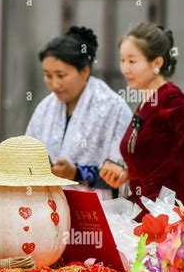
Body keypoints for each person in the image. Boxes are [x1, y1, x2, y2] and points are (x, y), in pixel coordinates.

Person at [101, 22, 184, 211]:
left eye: (132, 61)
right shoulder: (147, 101)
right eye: (122, 60)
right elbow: (154, 162)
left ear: (157, 63)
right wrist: (126, 174)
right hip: (140, 211)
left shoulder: (170, 100)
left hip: (165, 216)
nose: (125, 69)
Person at [26, 26, 132, 200]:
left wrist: (77, 173)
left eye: (61, 75)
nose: (54, 84)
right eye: (47, 75)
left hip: (97, 210)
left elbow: (122, 174)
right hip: (47, 207)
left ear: (85, 71)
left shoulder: (113, 108)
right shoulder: (45, 108)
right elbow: (27, 156)